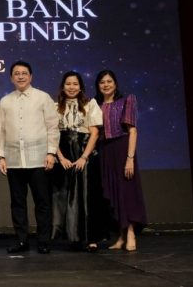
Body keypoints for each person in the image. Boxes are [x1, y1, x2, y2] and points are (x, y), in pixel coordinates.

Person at [0, 61, 59, 254]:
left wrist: (51, 152)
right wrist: (1, 156)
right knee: (18, 203)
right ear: (11, 78)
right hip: (14, 160)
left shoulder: (43, 98)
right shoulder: (5, 101)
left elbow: (52, 127)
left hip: (39, 159)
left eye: (24, 73)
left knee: (42, 202)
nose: (21, 76)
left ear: (31, 76)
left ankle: (43, 241)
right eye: (17, 73)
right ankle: (22, 241)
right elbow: (0, 131)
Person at [51, 71, 105, 252]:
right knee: (65, 196)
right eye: (68, 84)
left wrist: (84, 157)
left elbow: (94, 133)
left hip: (84, 152)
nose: (71, 87)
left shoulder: (90, 105)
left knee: (86, 196)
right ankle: (72, 238)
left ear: (80, 86)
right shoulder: (55, 106)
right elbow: (51, 134)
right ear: (63, 86)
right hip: (63, 155)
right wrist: (60, 157)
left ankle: (91, 238)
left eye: (75, 84)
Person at [94, 69, 147, 252]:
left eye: (109, 81)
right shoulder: (96, 105)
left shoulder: (127, 100)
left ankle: (131, 232)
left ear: (115, 83)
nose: (106, 85)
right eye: (102, 82)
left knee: (126, 192)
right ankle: (121, 236)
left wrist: (130, 158)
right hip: (105, 151)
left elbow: (132, 130)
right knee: (112, 194)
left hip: (122, 148)